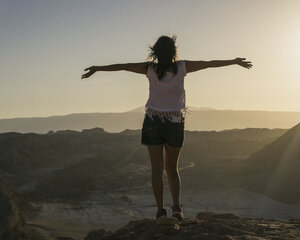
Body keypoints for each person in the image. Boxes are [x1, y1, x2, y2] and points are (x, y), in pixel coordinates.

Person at [81, 35, 252, 220]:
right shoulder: (182, 67)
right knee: (172, 169)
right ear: (173, 51)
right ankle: (177, 209)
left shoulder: (149, 69)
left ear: (155, 51)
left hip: (153, 121)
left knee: (156, 169)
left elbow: (122, 66)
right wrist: (234, 61)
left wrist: (97, 68)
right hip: (174, 122)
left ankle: (160, 211)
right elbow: (208, 63)